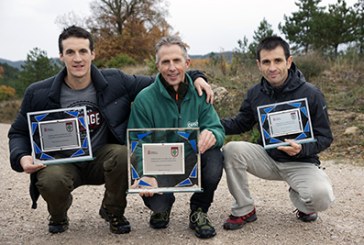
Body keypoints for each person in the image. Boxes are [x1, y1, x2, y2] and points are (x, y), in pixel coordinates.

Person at [7, 25, 213, 235]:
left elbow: (163, 79)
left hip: (101, 158)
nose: (77, 58)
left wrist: (196, 75)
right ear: (61, 56)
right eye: (70, 52)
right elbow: (18, 132)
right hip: (63, 162)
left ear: (92, 54)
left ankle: (113, 211)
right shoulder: (38, 93)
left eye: (83, 51)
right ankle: (59, 215)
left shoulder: (115, 81)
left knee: (125, 153)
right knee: (51, 180)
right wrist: (22, 157)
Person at [221, 36, 335, 230]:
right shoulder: (255, 93)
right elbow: (241, 123)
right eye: (266, 62)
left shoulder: (311, 93)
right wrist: (210, 124)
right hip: (268, 158)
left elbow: (325, 137)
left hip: (301, 161)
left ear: (289, 61)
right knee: (231, 149)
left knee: (321, 197)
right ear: (259, 65)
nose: (272, 68)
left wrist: (301, 149)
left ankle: (302, 198)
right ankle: (244, 208)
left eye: (278, 61)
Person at [127, 35, 225, 239]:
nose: (172, 68)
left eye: (176, 61)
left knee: (215, 157)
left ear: (187, 63)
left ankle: (199, 211)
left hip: (192, 158)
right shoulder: (144, 99)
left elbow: (217, 128)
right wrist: (144, 174)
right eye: (165, 62)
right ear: (158, 66)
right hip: (160, 164)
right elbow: (137, 143)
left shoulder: (200, 93)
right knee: (157, 201)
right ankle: (162, 208)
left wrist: (212, 134)